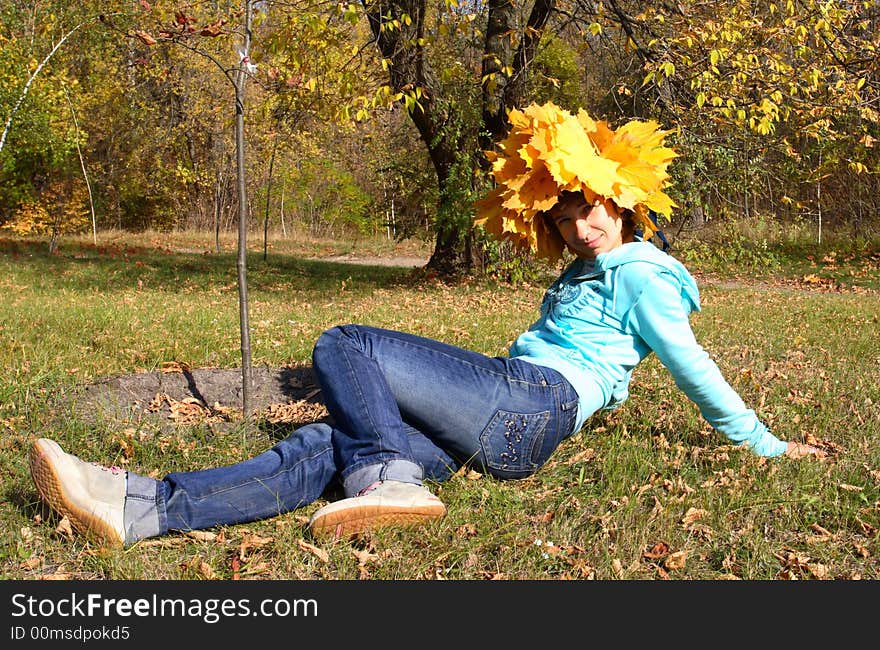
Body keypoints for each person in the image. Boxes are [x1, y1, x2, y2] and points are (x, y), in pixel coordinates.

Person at [28, 101, 826, 548]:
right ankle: (140, 507)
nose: (584, 228)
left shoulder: (643, 273)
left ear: (623, 204)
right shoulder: (587, 270)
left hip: (534, 402)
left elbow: (689, 363)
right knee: (321, 446)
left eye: (596, 213)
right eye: (571, 218)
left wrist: (765, 443)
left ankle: (389, 475)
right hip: (511, 435)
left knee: (348, 345)